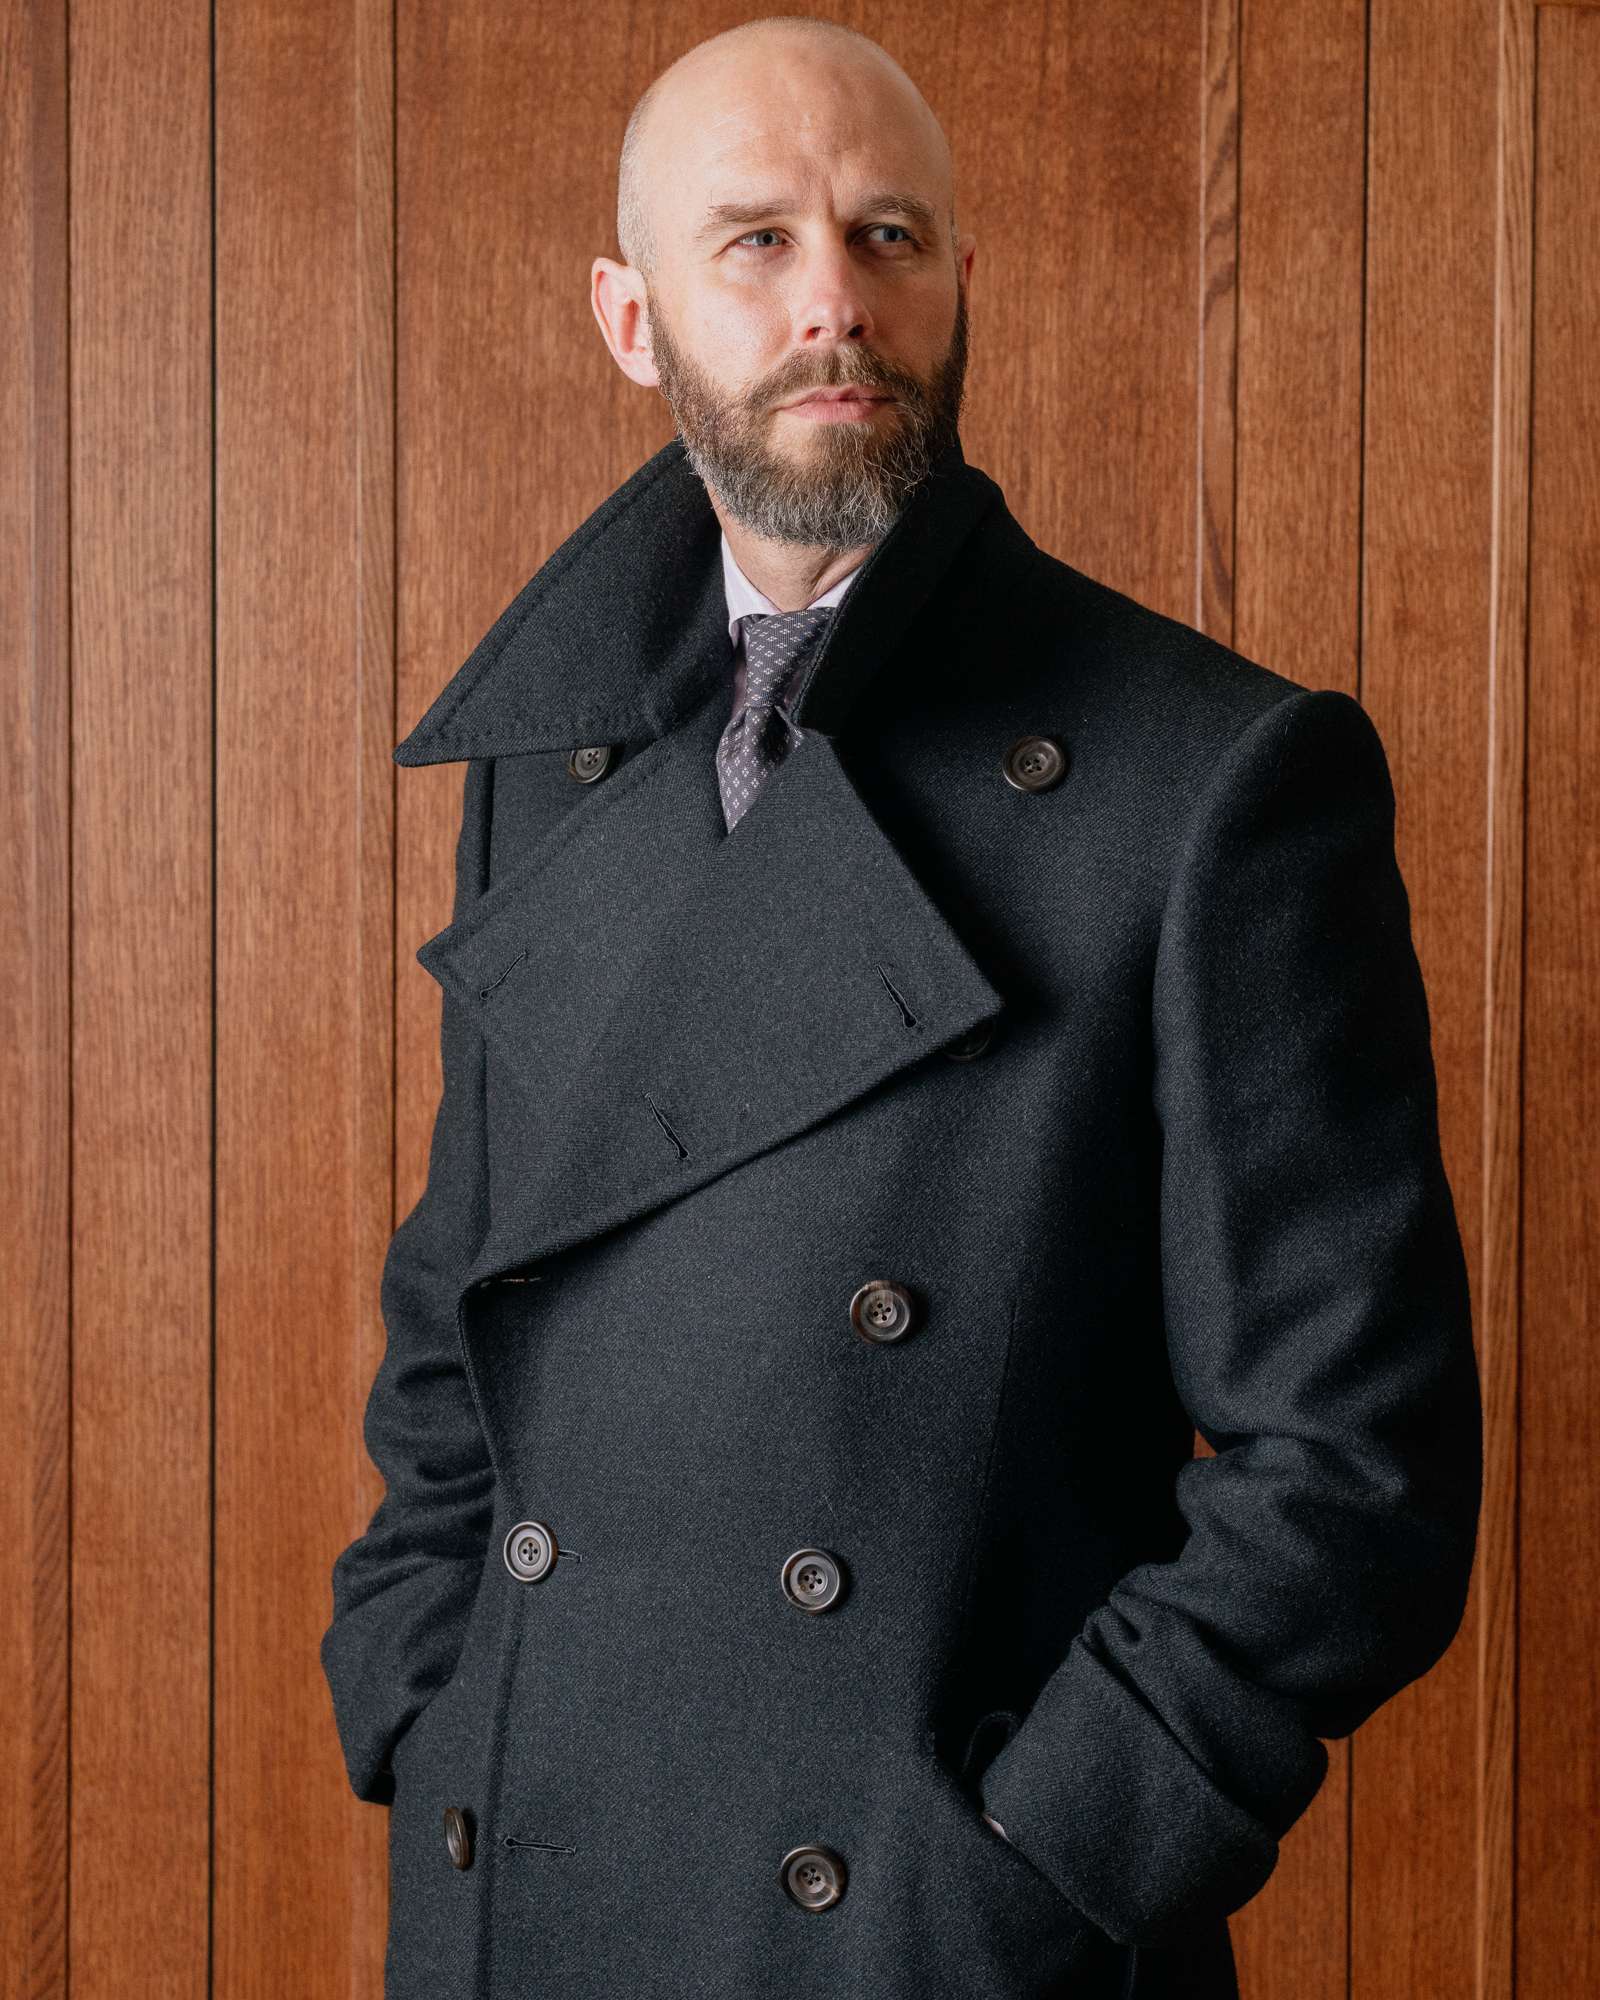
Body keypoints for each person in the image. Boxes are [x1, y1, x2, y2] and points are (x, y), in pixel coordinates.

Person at [321, 17, 1482, 2000]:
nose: (834, 304)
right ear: (631, 318)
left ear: (955, 280)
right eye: (756, 242)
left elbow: (1356, 1463)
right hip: (531, 1884)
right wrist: (422, 1687)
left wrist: (1032, 1863)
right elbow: (464, 1301)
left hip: (924, 1935)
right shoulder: (553, 757)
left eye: (887, 234)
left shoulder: (1210, 777)